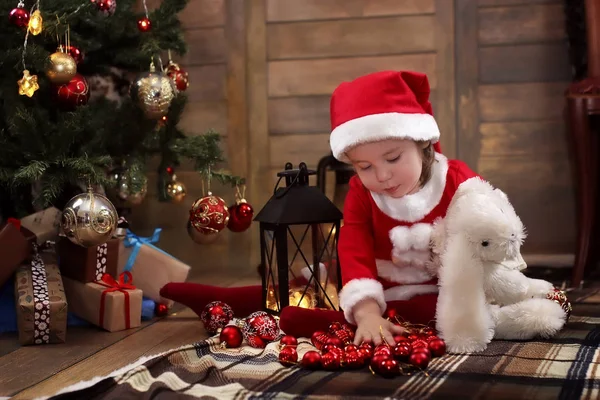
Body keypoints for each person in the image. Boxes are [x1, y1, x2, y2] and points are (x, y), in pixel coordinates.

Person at [159, 70, 481, 345]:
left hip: (433, 289)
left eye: (393, 158)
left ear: (422, 141)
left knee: (434, 310)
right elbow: (354, 245)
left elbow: (491, 231)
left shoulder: (456, 180)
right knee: (311, 283)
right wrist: (367, 311)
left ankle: (316, 322)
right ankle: (227, 300)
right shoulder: (362, 192)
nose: (381, 176)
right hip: (374, 282)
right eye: (364, 166)